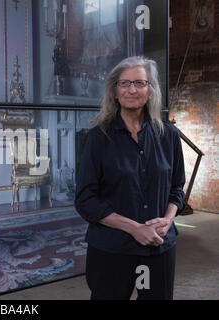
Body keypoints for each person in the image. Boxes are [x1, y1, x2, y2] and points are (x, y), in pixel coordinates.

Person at [75, 56, 186, 300]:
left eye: (139, 82)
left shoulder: (169, 136)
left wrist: (167, 220)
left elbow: (177, 188)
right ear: (115, 91)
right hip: (111, 250)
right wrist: (135, 229)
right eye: (124, 83)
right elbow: (85, 200)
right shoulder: (97, 139)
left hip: (159, 248)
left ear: (150, 90)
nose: (132, 89)